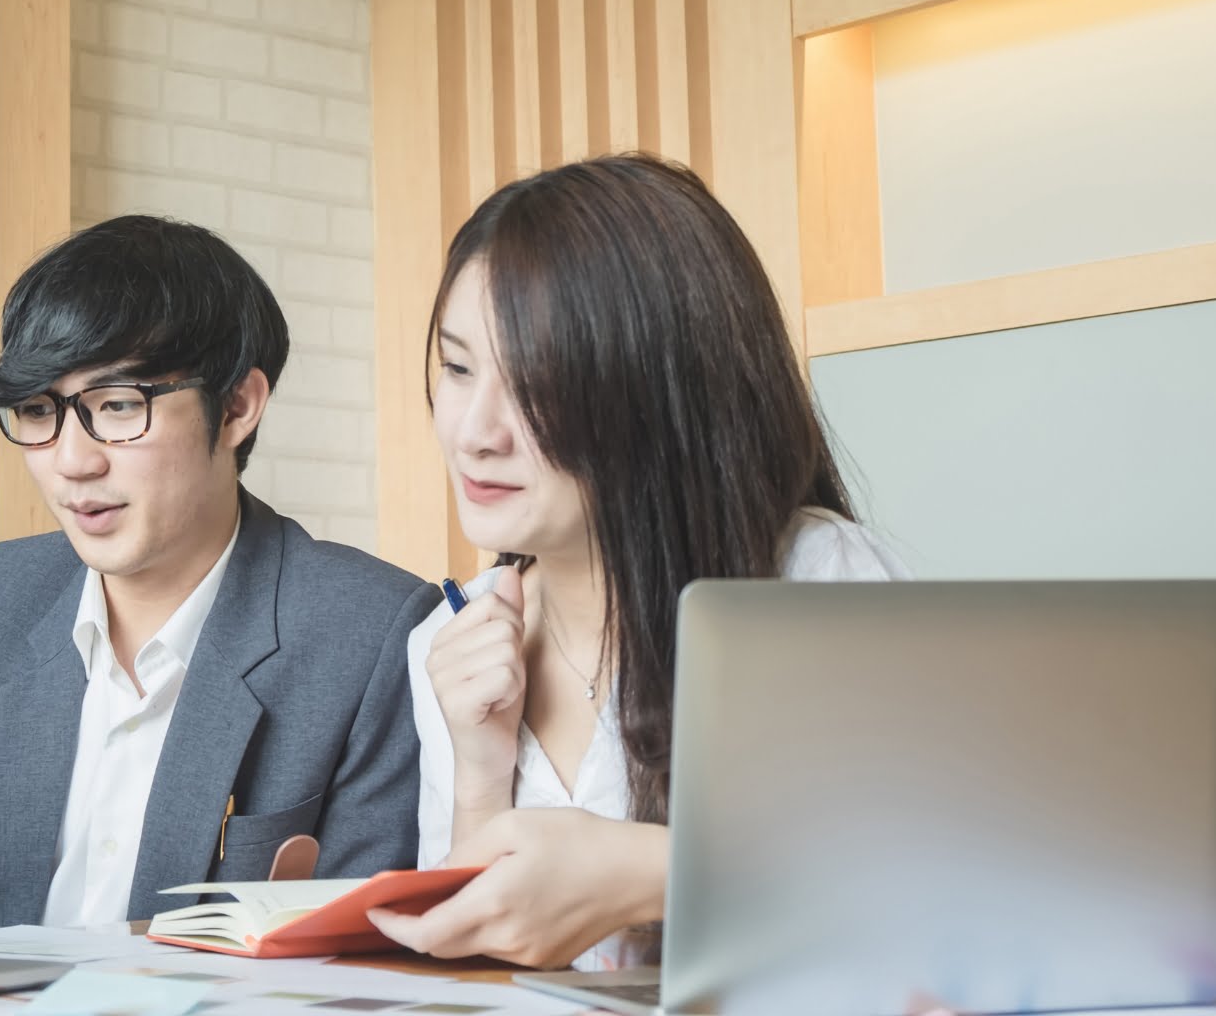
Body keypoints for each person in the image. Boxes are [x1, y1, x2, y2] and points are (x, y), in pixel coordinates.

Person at [0, 215, 440, 950]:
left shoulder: (371, 631)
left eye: (116, 407)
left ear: (237, 406)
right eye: (39, 410)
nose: (72, 462)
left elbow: (363, 957)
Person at [366, 154, 909, 970]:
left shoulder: (812, 579)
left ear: (655, 391)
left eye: (535, 380)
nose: (475, 431)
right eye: (457, 366)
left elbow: (925, 893)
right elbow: (479, 983)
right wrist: (480, 776)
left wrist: (649, 873)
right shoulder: (454, 638)